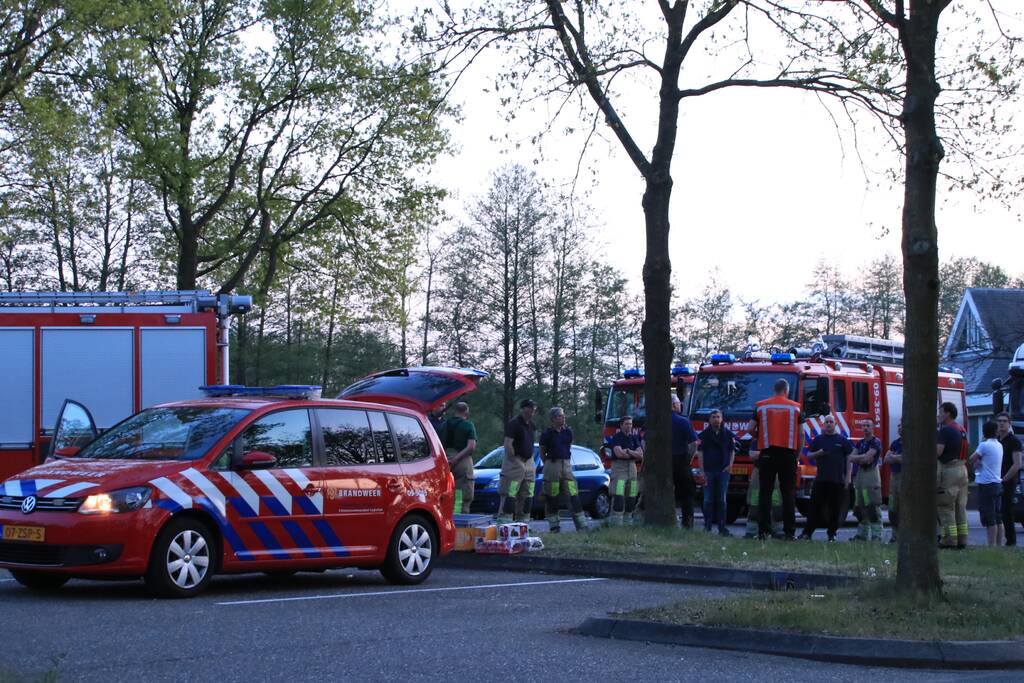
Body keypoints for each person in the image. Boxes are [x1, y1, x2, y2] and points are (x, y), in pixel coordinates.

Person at [749, 378, 804, 540]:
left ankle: (763, 531)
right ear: (786, 391)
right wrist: (797, 455)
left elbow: (750, 428)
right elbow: (801, 434)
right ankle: (789, 532)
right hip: (788, 455)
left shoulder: (761, 406)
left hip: (767, 453)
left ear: (774, 390)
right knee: (788, 494)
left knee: (765, 493)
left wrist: (760, 437)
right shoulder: (796, 408)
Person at [800, 414, 852, 542]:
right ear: (824, 425)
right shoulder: (818, 440)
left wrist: (848, 477)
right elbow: (809, 455)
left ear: (836, 424)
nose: (828, 424)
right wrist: (818, 453)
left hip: (837, 480)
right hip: (821, 479)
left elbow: (849, 459)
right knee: (814, 507)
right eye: (827, 422)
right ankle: (807, 533)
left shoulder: (842, 440)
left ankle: (832, 534)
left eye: (831, 422)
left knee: (835, 508)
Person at [539, 406, 587, 533]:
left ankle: (582, 526)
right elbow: (542, 453)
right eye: (560, 415)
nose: (563, 417)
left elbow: (569, 447)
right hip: (552, 466)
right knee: (552, 496)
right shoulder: (547, 434)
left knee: (573, 494)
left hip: (566, 466)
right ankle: (554, 527)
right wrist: (549, 465)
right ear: (554, 418)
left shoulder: (568, 432)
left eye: (563, 415)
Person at [496, 399, 537, 524]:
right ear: (523, 409)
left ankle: (523, 526)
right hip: (515, 462)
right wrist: (514, 459)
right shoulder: (514, 424)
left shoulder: (532, 425)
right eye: (530, 408)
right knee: (510, 494)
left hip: (529, 463)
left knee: (527, 496)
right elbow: (508, 444)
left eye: (533, 408)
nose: (532, 411)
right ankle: (504, 526)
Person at [696, 409, 735, 536]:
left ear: (722, 419)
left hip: (723, 471)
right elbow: (700, 453)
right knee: (708, 499)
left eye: (718, 416)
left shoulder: (728, 434)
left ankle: (722, 528)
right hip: (708, 471)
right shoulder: (703, 435)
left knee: (722, 500)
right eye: (713, 417)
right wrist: (701, 470)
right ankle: (707, 527)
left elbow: (732, 451)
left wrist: (730, 465)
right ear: (709, 420)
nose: (716, 419)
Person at [936, 401, 968, 549]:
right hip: (962, 469)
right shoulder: (961, 429)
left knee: (945, 506)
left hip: (949, 470)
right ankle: (962, 540)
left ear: (948, 413)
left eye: (941, 412)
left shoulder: (945, 430)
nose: (939, 414)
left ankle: (948, 540)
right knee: (960, 507)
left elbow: (938, 452)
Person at [970, 421, 1004, 547]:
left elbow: (972, 458)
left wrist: (978, 460)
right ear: (996, 432)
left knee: (989, 518)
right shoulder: (999, 445)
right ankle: (999, 545)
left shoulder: (984, 445)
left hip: (987, 485)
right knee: (998, 517)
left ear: (984, 432)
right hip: (997, 483)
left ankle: (991, 546)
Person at [849, 419, 883, 542]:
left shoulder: (876, 442)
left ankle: (877, 535)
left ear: (873, 428)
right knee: (859, 506)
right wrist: (861, 458)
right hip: (860, 475)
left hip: (871, 474)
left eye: (868, 425)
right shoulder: (860, 443)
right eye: (863, 426)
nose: (865, 427)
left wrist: (859, 458)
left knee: (872, 505)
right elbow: (850, 458)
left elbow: (868, 459)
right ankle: (862, 535)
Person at [441, 402, 477, 514]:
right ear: (466, 411)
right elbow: (471, 447)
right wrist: (456, 459)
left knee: (445, 492)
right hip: (462, 461)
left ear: (455, 411)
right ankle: (459, 521)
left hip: (444, 460)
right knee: (461, 493)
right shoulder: (468, 425)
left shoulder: (443, 425)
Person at [609, 415, 643, 526]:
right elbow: (619, 453)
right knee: (618, 494)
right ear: (621, 425)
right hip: (620, 468)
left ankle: (628, 522)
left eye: (631, 424)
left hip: (632, 468)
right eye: (627, 424)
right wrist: (633, 453)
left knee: (632, 494)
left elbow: (641, 455)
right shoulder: (617, 437)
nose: (629, 426)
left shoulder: (634, 438)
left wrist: (628, 451)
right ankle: (616, 523)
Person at [671, 396, 699, 528]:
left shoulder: (655, 419)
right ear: (673, 405)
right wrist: (689, 458)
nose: (680, 405)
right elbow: (693, 443)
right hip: (681, 461)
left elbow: (644, 441)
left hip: (661, 462)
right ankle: (687, 523)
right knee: (687, 493)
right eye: (678, 403)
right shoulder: (683, 421)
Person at [996, 412, 1023, 547]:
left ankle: (1011, 542)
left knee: (1007, 511)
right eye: (999, 421)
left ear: (1009, 423)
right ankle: (998, 541)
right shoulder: (996, 441)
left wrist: (1004, 479)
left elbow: (1017, 464)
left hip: (1008, 481)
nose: (1001, 423)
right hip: (996, 480)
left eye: (1004, 421)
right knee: (997, 512)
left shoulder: (1014, 441)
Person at [883, 421, 903, 543]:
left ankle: (904, 536)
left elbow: (907, 458)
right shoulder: (895, 443)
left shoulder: (911, 442)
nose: (900, 428)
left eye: (902, 425)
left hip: (904, 478)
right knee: (893, 508)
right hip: (894, 478)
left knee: (904, 508)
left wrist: (894, 457)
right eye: (898, 425)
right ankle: (895, 536)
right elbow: (886, 458)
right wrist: (897, 457)